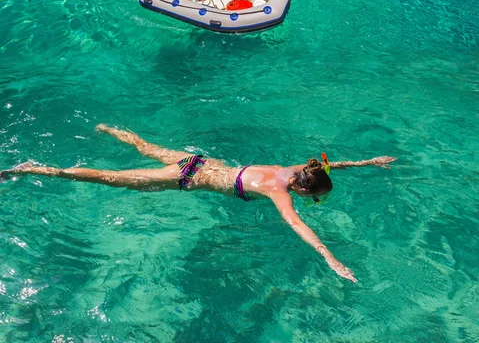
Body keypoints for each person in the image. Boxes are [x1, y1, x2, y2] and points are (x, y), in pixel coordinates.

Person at [1, 125, 397, 282]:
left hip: (201, 161)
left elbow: (328, 164)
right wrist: (329, 256)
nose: (312, 204)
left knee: (143, 146)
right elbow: (297, 226)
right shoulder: (280, 193)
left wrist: (367, 162)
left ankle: (109, 129)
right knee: (113, 179)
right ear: (303, 192)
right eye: (316, 201)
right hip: (188, 177)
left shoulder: (292, 170)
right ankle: (40, 169)